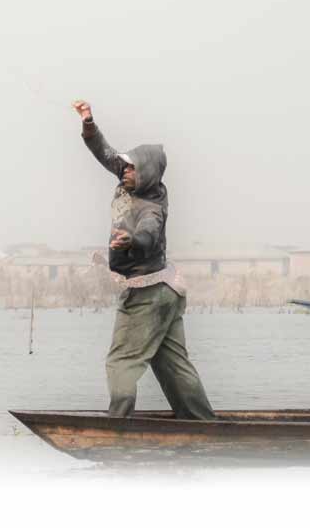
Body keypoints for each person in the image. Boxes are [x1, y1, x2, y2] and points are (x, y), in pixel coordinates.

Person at [74, 99, 215, 421]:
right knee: (172, 364)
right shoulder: (129, 179)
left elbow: (149, 235)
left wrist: (131, 241)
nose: (125, 171)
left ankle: (118, 425)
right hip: (166, 291)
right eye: (124, 166)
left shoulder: (151, 205)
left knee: (122, 360)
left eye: (132, 167)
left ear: (147, 173)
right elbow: (104, 153)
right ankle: (202, 424)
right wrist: (88, 122)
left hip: (147, 294)